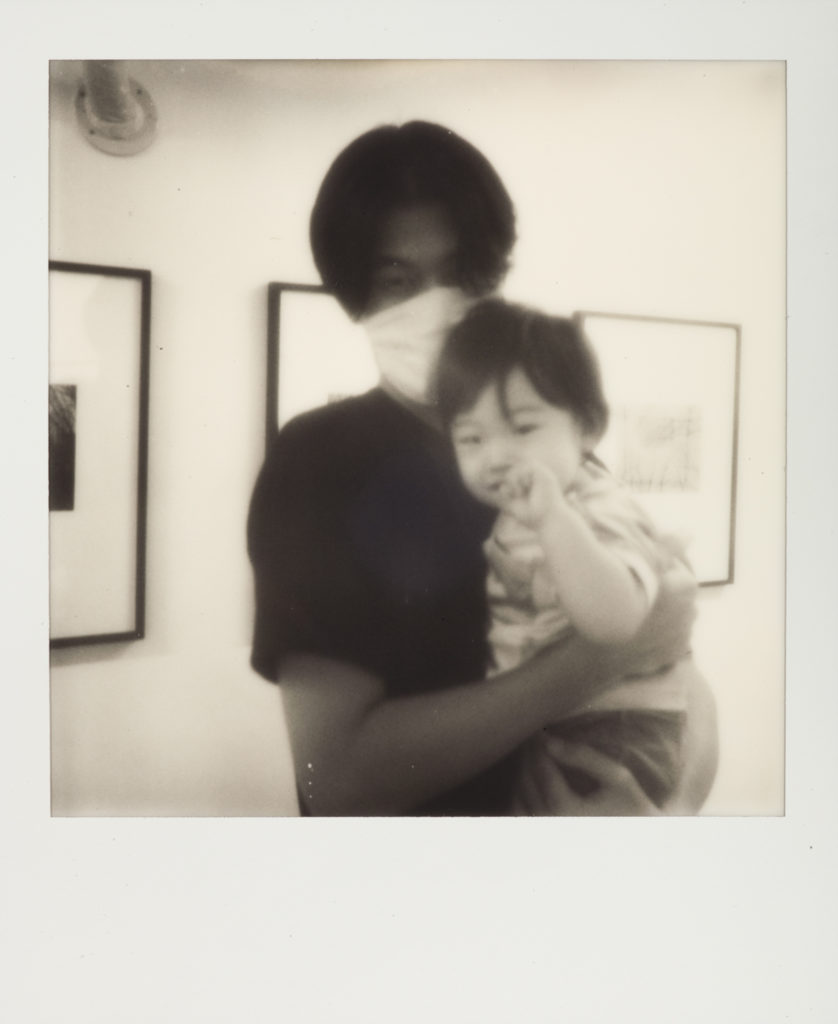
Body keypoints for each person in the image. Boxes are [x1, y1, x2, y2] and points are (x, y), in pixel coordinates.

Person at [247, 120, 717, 815]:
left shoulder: (551, 443)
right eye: (398, 279)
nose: (437, 304)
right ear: (354, 294)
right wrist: (597, 660)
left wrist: (668, 811)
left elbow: (678, 669)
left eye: (462, 272)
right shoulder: (322, 460)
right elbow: (335, 778)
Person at [435, 298, 692, 809]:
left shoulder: (597, 507)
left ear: (588, 428)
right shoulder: (520, 512)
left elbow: (616, 622)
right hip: (561, 720)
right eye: (471, 438)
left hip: (615, 729)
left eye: (523, 428)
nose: (495, 456)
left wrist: (556, 521)